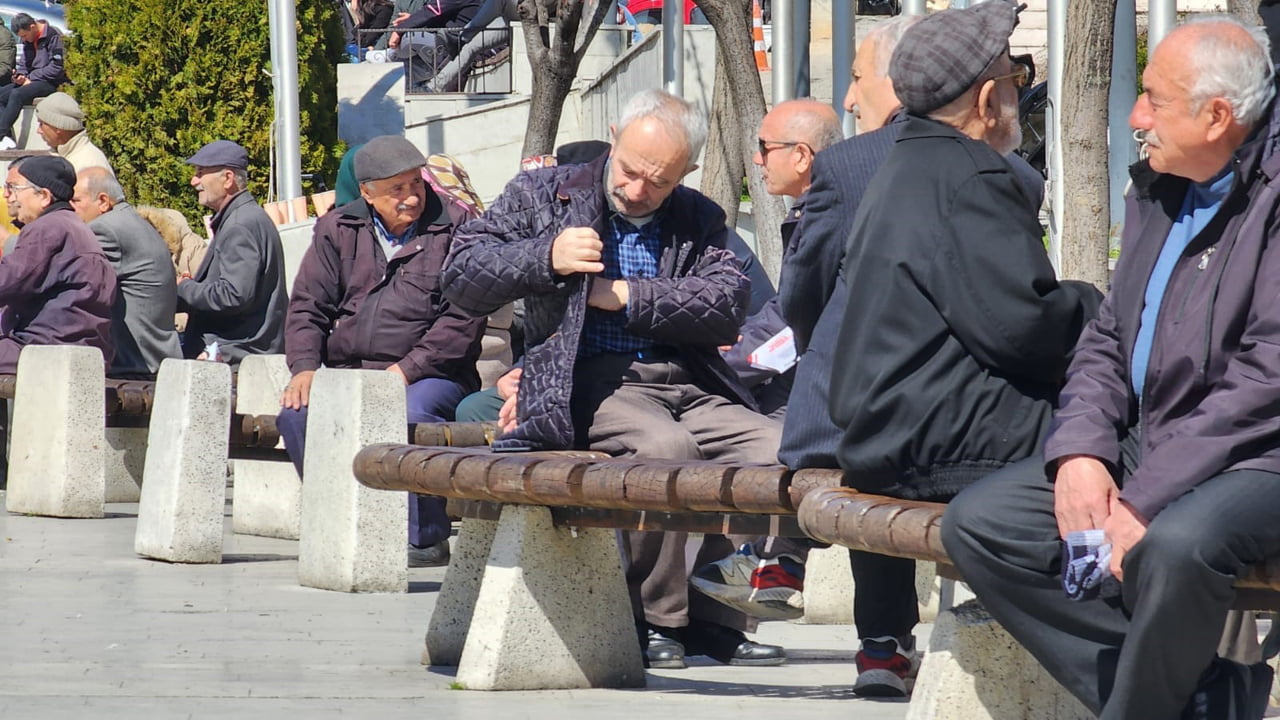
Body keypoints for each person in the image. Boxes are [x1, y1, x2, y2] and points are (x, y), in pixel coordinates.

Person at [944, 17, 1280, 720]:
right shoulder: (1161, 186)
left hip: (1256, 457)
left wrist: (1141, 499)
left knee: (1178, 546)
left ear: (1218, 116)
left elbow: (1264, 382)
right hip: (1154, 437)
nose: (1136, 117)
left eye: (1154, 99)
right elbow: (1109, 336)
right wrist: (1081, 454)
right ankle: (1198, 697)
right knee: (983, 524)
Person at [442, 89, 786, 670]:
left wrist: (627, 295)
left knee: (782, 449)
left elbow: (728, 302)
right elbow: (460, 274)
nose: (636, 190)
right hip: (592, 379)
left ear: (687, 172)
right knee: (665, 451)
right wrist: (544, 256)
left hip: (690, 379)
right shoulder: (544, 195)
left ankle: (722, 609)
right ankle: (656, 617)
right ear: (613, 136)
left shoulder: (698, 215)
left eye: (658, 180)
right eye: (630, 170)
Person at [830, 0, 1102, 698]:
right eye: (1015, 75)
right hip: (938, 440)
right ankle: (1148, 657)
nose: (1019, 89)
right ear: (988, 99)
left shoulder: (908, 164)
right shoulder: (970, 176)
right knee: (1128, 443)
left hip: (889, 431)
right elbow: (1025, 330)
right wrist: (1097, 306)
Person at [279, 135, 486, 568]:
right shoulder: (339, 228)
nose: (410, 197)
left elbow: (460, 322)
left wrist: (404, 371)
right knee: (297, 414)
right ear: (369, 193)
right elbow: (307, 306)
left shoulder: (455, 229)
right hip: (350, 367)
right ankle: (337, 518)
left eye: (416, 184)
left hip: (432, 374)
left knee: (409, 412)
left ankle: (423, 536)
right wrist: (304, 368)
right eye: (397, 189)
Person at [690, 99, 844, 623]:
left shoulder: (830, 210)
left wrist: (725, 365)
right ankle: (774, 564)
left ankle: (775, 564)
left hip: (838, 386)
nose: (757, 160)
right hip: (816, 374)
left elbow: (795, 322)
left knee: (778, 436)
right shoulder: (817, 207)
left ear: (801, 155)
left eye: (765, 148)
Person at [0, 156, 115, 372]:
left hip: (47, 347)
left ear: (44, 196)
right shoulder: (72, 224)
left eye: (14, 188)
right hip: (78, 346)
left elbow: (8, 281)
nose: (9, 196)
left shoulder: (48, 228)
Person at [178, 140, 287, 365]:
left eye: (200, 173)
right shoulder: (242, 218)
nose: (194, 181)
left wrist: (185, 289)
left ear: (227, 178)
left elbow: (234, 294)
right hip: (238, 354)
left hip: (236, 356)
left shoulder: (240, 225)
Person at [70, 167, 182, 378]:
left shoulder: (105, 229)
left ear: (103, 201)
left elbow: (73, 283)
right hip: (155, 362)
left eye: (76, 201)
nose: (70, 207)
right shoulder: (132, 221)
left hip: (135, 368)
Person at [0, 14, 68, 151]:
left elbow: (57, 67)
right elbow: (25, 63)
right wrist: (20, 75)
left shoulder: (53, 36)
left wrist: (32, 77)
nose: (24, 39)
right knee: (2, 94)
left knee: (16, 95)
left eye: (24, 36)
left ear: (32, 27)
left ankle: (0, 135)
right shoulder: (29, 40)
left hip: (49, 81)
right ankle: (7, 138)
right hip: (32, 79)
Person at [34, 92, 113, 173]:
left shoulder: (88, 165)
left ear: (58, 127)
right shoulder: (64, 155)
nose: (38, 131)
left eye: (41, 124)